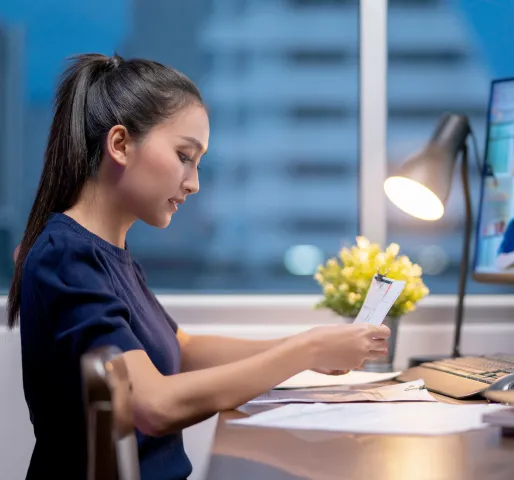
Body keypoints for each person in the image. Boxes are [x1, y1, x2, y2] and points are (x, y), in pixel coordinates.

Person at [5, 53, 390, 480]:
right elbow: (154, 405)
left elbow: (182, 348)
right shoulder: (67, 255)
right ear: (119, 144)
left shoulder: (109, 253)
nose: (194, 182)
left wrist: (309, 347)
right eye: (184, 155)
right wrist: (305, 351)